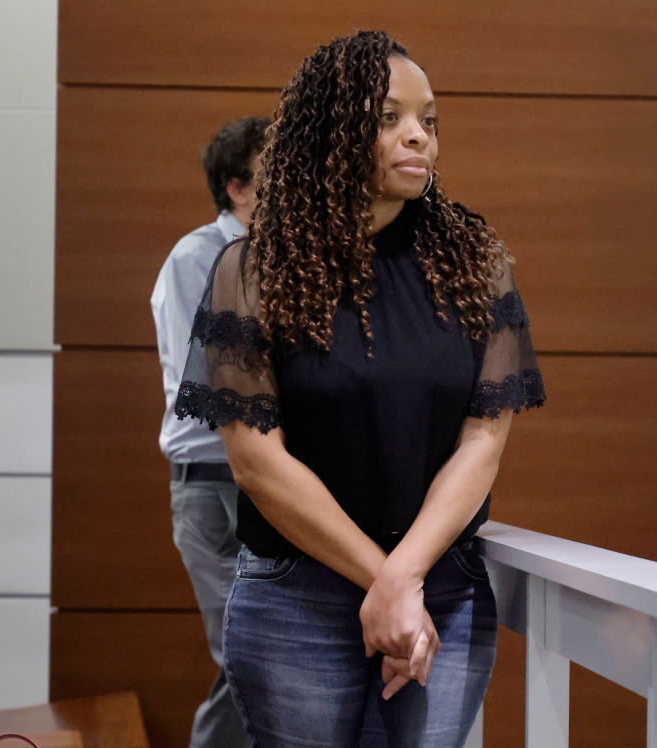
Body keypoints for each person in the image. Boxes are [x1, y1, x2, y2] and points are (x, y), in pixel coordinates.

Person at [175, 30, 544, 747]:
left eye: (429, 122)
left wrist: (404, 579)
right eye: (389, 118)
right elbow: (256, 462)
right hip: (295, 598)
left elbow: (483, 440)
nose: (419, 138)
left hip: (440, 584)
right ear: (332, 133)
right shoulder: (251, 270)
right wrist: (387, 581)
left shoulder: (477, 266)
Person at [150, 115, 270, 748]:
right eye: (271, 174)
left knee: (265, 656)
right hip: (214, 482)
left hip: (271, 481)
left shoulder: (284, 260)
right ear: (236, 188)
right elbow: (207, 384)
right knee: (248, 656)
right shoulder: (198, 257)